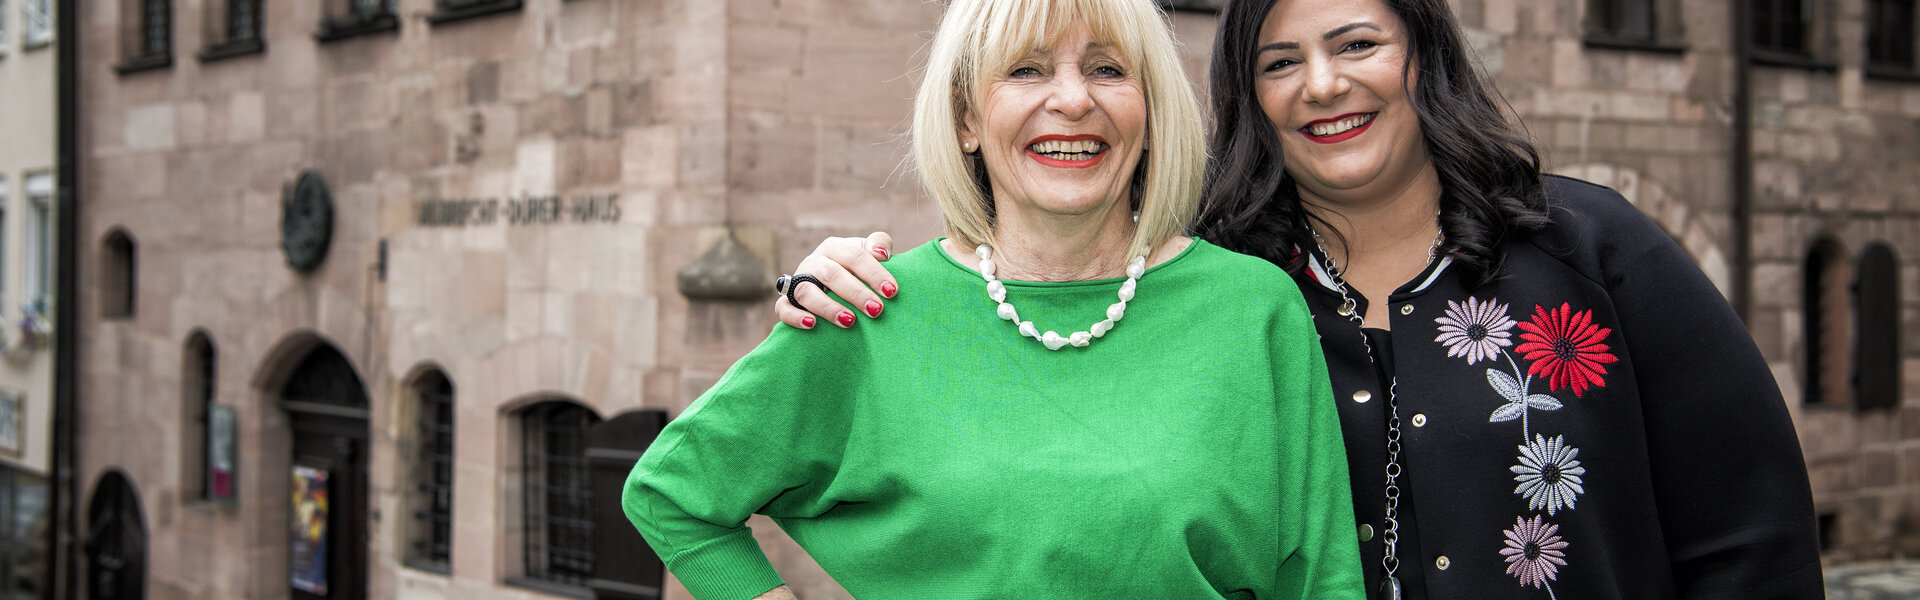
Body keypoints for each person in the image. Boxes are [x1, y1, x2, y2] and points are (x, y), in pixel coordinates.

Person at [771, 0, 1826, 597]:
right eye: (1281, 62)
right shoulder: (1212, 294)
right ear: (1249, 97)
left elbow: (1751, 534)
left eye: (1358, 43)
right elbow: (1023, 322)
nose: (1323, 85)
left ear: (1422, 56)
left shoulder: (1590, 250)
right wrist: (837, 286)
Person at [622, 0, 1365, 597]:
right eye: (1026, 71)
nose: (1072, 100)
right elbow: (673, 496)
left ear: (1150, 108)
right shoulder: (871, 307)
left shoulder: (1253, 308)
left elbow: (1323, 578)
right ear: (968, 119)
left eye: (1108, 69)